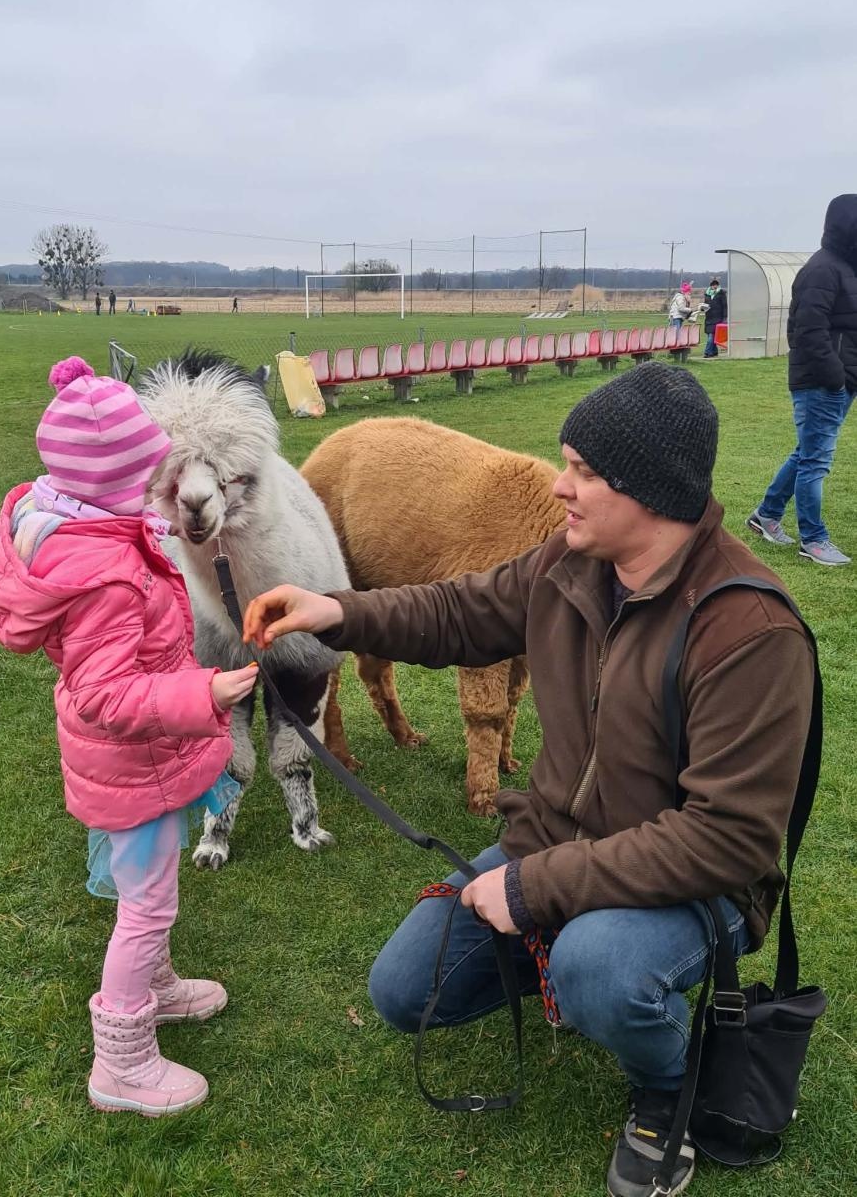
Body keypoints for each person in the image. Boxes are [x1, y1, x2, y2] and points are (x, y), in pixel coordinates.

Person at [242, 362, 814, 1197]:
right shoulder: (571, 564)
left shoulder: (751, 631)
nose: (559, 487)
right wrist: (338, 610)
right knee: (405, 992)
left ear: (649, 492)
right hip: (554, 840)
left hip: (700, 885)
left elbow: (728, 840)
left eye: (583, 471)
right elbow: (459, 611)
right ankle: (581, 971)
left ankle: (665, 1084)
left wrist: (534, 889)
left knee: (598, 969)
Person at [0, 356, 259, 1116]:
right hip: (130, 758)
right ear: (111, 480)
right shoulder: (101, 573)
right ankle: (123, 1061)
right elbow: (107, 692)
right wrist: (205, 690)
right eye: (147, 476)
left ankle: (158, 988)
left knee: (151, 894)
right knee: (145, 908)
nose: (158, 490)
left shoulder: (81, 522)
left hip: (141, 759)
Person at [747, 194, 856, 566]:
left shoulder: (844, 267)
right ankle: (814, 540)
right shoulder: (823, 269)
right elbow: (808, 330)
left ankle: (766, 513)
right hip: (822, 382)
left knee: (806, 453)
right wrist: (835, 377)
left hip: (839, 381)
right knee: (815, 461)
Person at [702, 277, 726, 358]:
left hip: (718, 318)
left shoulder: (721, 293)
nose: (714, 286)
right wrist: (703, 308)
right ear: (711, 286)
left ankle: (707, 352)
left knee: (711, 337)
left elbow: (725, 306)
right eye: (713, 285)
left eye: (716, 284)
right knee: (711, 337)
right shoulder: (707, 294)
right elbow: (705, 304)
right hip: (709, 318)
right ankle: (714, 352)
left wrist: (725, 318)